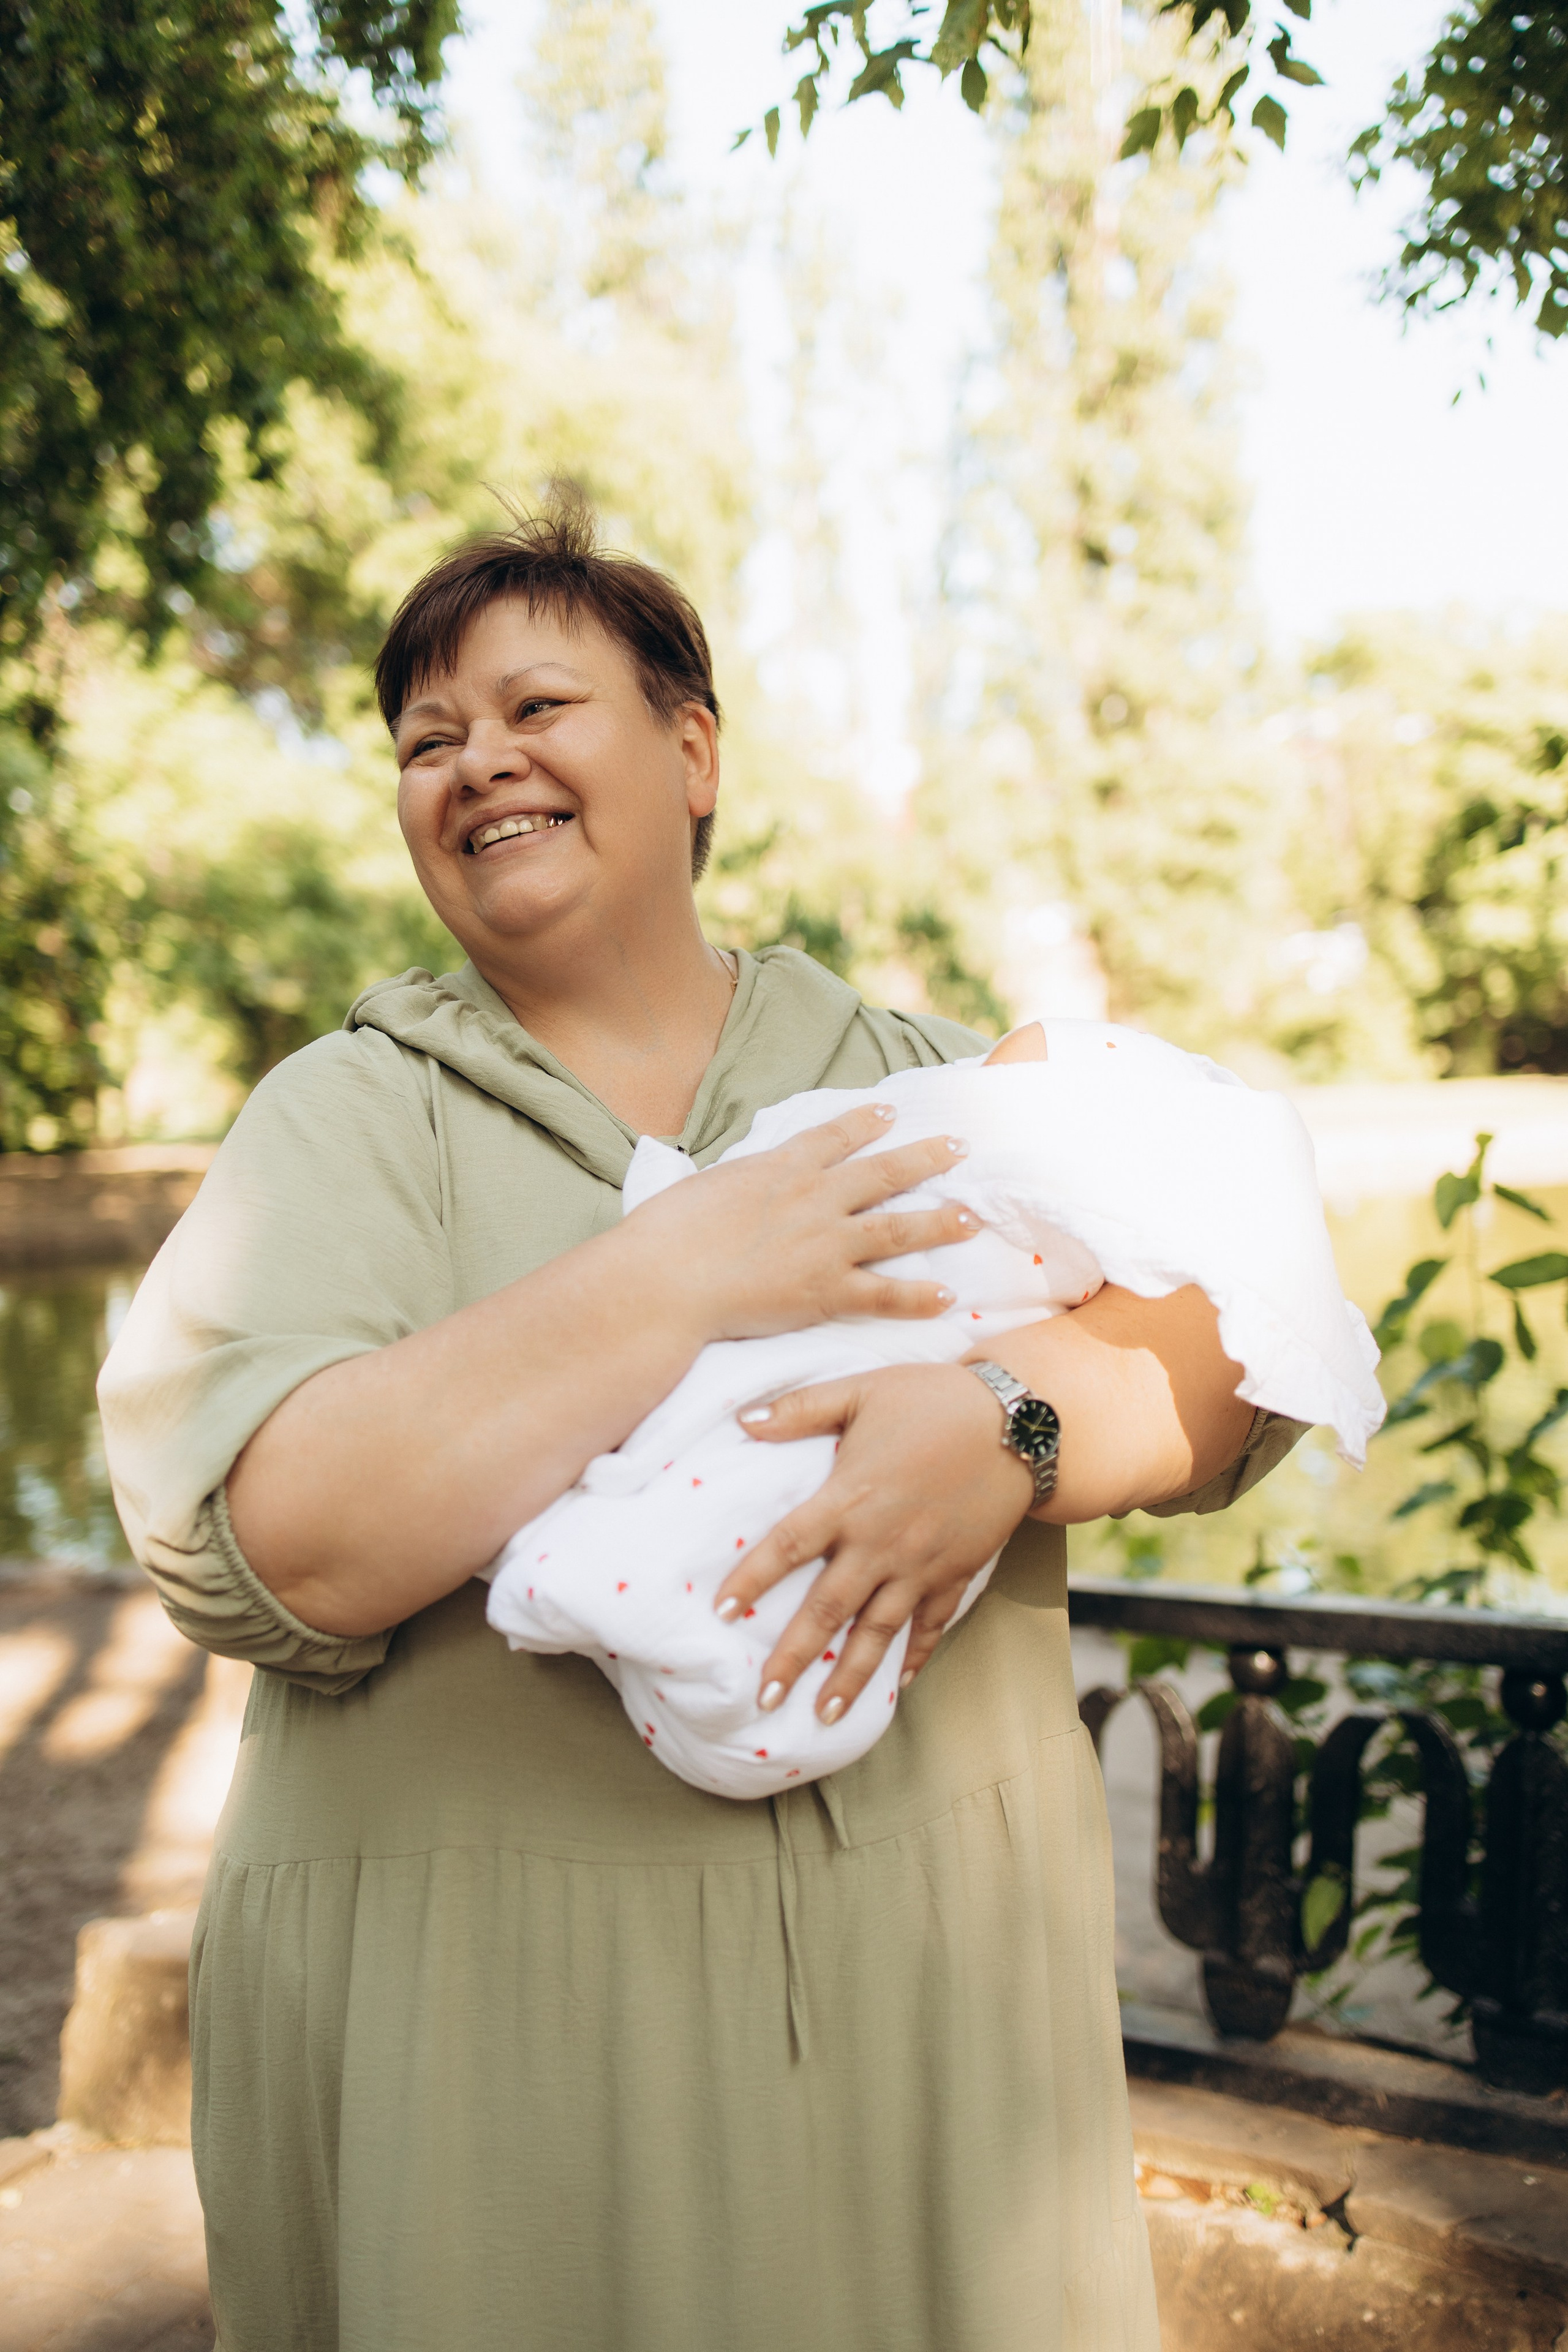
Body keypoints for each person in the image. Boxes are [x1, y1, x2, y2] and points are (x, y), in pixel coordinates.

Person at [99, 494, 1306, 2352]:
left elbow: (1243, 1338)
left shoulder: (924, 1083)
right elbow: (281, 1543)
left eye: (535, 707)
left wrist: (1009, 1424)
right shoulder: (340, 1123)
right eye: (427, 740)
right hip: (488, 2065)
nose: (476, 761)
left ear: (693, 753)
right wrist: (676, 1275)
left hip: (927, 2043)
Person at [487, 1019, 1382, 1800]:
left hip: (940, 1847)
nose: (1010, 1070)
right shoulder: (931, 1098)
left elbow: (1224, 1358)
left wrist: (1005, 1416)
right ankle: (633, 1569)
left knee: (790, 1447)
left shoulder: (957, 1083)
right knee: (754, 1423)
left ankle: (632, 1567)